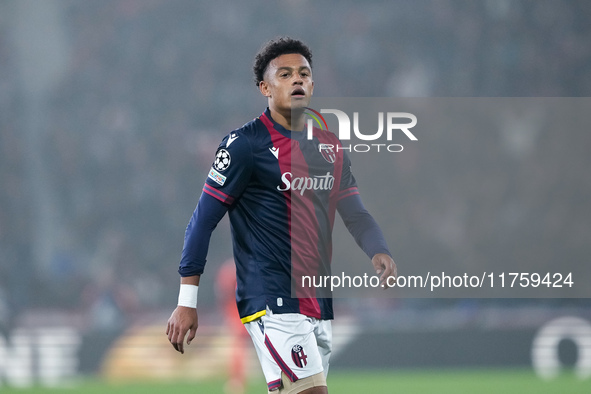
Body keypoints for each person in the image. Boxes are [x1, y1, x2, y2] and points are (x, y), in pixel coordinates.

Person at [166, 37, 396, 394]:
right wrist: (186, 302)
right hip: (272, 301)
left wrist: (378, 250)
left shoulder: (329, 147)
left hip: (318, 301)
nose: (297, 80)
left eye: (304, 73)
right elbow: (202, 221)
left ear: (313, 85)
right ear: (265, 87)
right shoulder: (244, 145)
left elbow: (355, 212)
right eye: (285, 74)